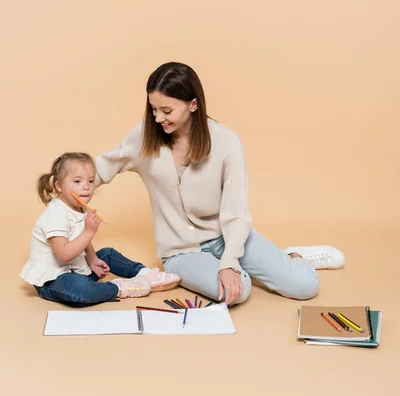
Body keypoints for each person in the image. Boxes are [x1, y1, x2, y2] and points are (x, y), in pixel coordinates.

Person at [95, 62, 345, 306]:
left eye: (167, 111)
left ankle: (294, 258)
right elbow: (104, 166)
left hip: (227, 236)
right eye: (153, 109)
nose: (158, 117)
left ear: (193, 104)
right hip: (181, 252)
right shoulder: (144, 136)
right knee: (238, 290)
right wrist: (61, 187)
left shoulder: (226, 142)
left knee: (305, 286)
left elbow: (236, 214)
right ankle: (273, 262)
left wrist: (229, 262)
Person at [20, 152, 180, 306]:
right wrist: (89, 231)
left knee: (107, 254)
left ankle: (144, 273)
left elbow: (79, 238)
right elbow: (64, 254)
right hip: (52, 278)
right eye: (77, 182)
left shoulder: (79, 208)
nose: (86, 187)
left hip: (76, 268)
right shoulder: (55, 214)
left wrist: (92, 259)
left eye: (90, 181)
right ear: (59, 186)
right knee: (80, 289)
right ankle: (119, 288)